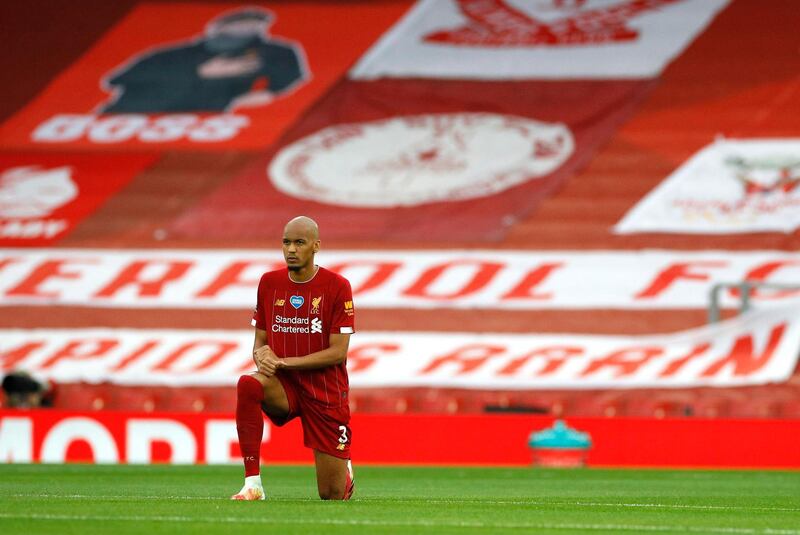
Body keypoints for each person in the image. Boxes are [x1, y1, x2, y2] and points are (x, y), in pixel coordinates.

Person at [231, 216, 355, 501]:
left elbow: (339, 352)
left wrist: (285, 362)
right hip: (284, 387)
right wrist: (262, 359)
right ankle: (253, 484)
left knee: (332, 495)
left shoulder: (337, 286)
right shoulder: (269, 283)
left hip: (326, 392)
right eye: (286, 242)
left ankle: (343, 470)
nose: (291, 249)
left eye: (299, 242)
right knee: (248, 384)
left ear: (316, 246)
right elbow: (260, 344)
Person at [99, 8, 306, 113]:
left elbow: (290, 75)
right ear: (218, 28)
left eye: (253, 26)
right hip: (134, 114)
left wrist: (269, 94)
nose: (246, 30)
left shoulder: (273, 51)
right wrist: (198, 72)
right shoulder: (172, 54)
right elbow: (120, 79)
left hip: (204, 119)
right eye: (239, 25)